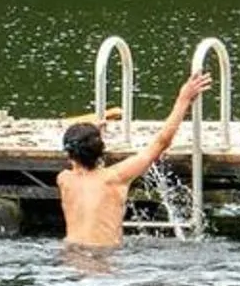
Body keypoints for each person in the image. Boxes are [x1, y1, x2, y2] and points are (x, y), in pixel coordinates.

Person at [58, 70, 215, 248]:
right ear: (100, 150)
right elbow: (161, 143)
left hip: (70, 254)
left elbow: (74, 152)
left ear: (69, 154)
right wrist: (183, 98)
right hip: (103, 259)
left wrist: (90, 134)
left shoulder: (64, 179)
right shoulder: (114, 178)